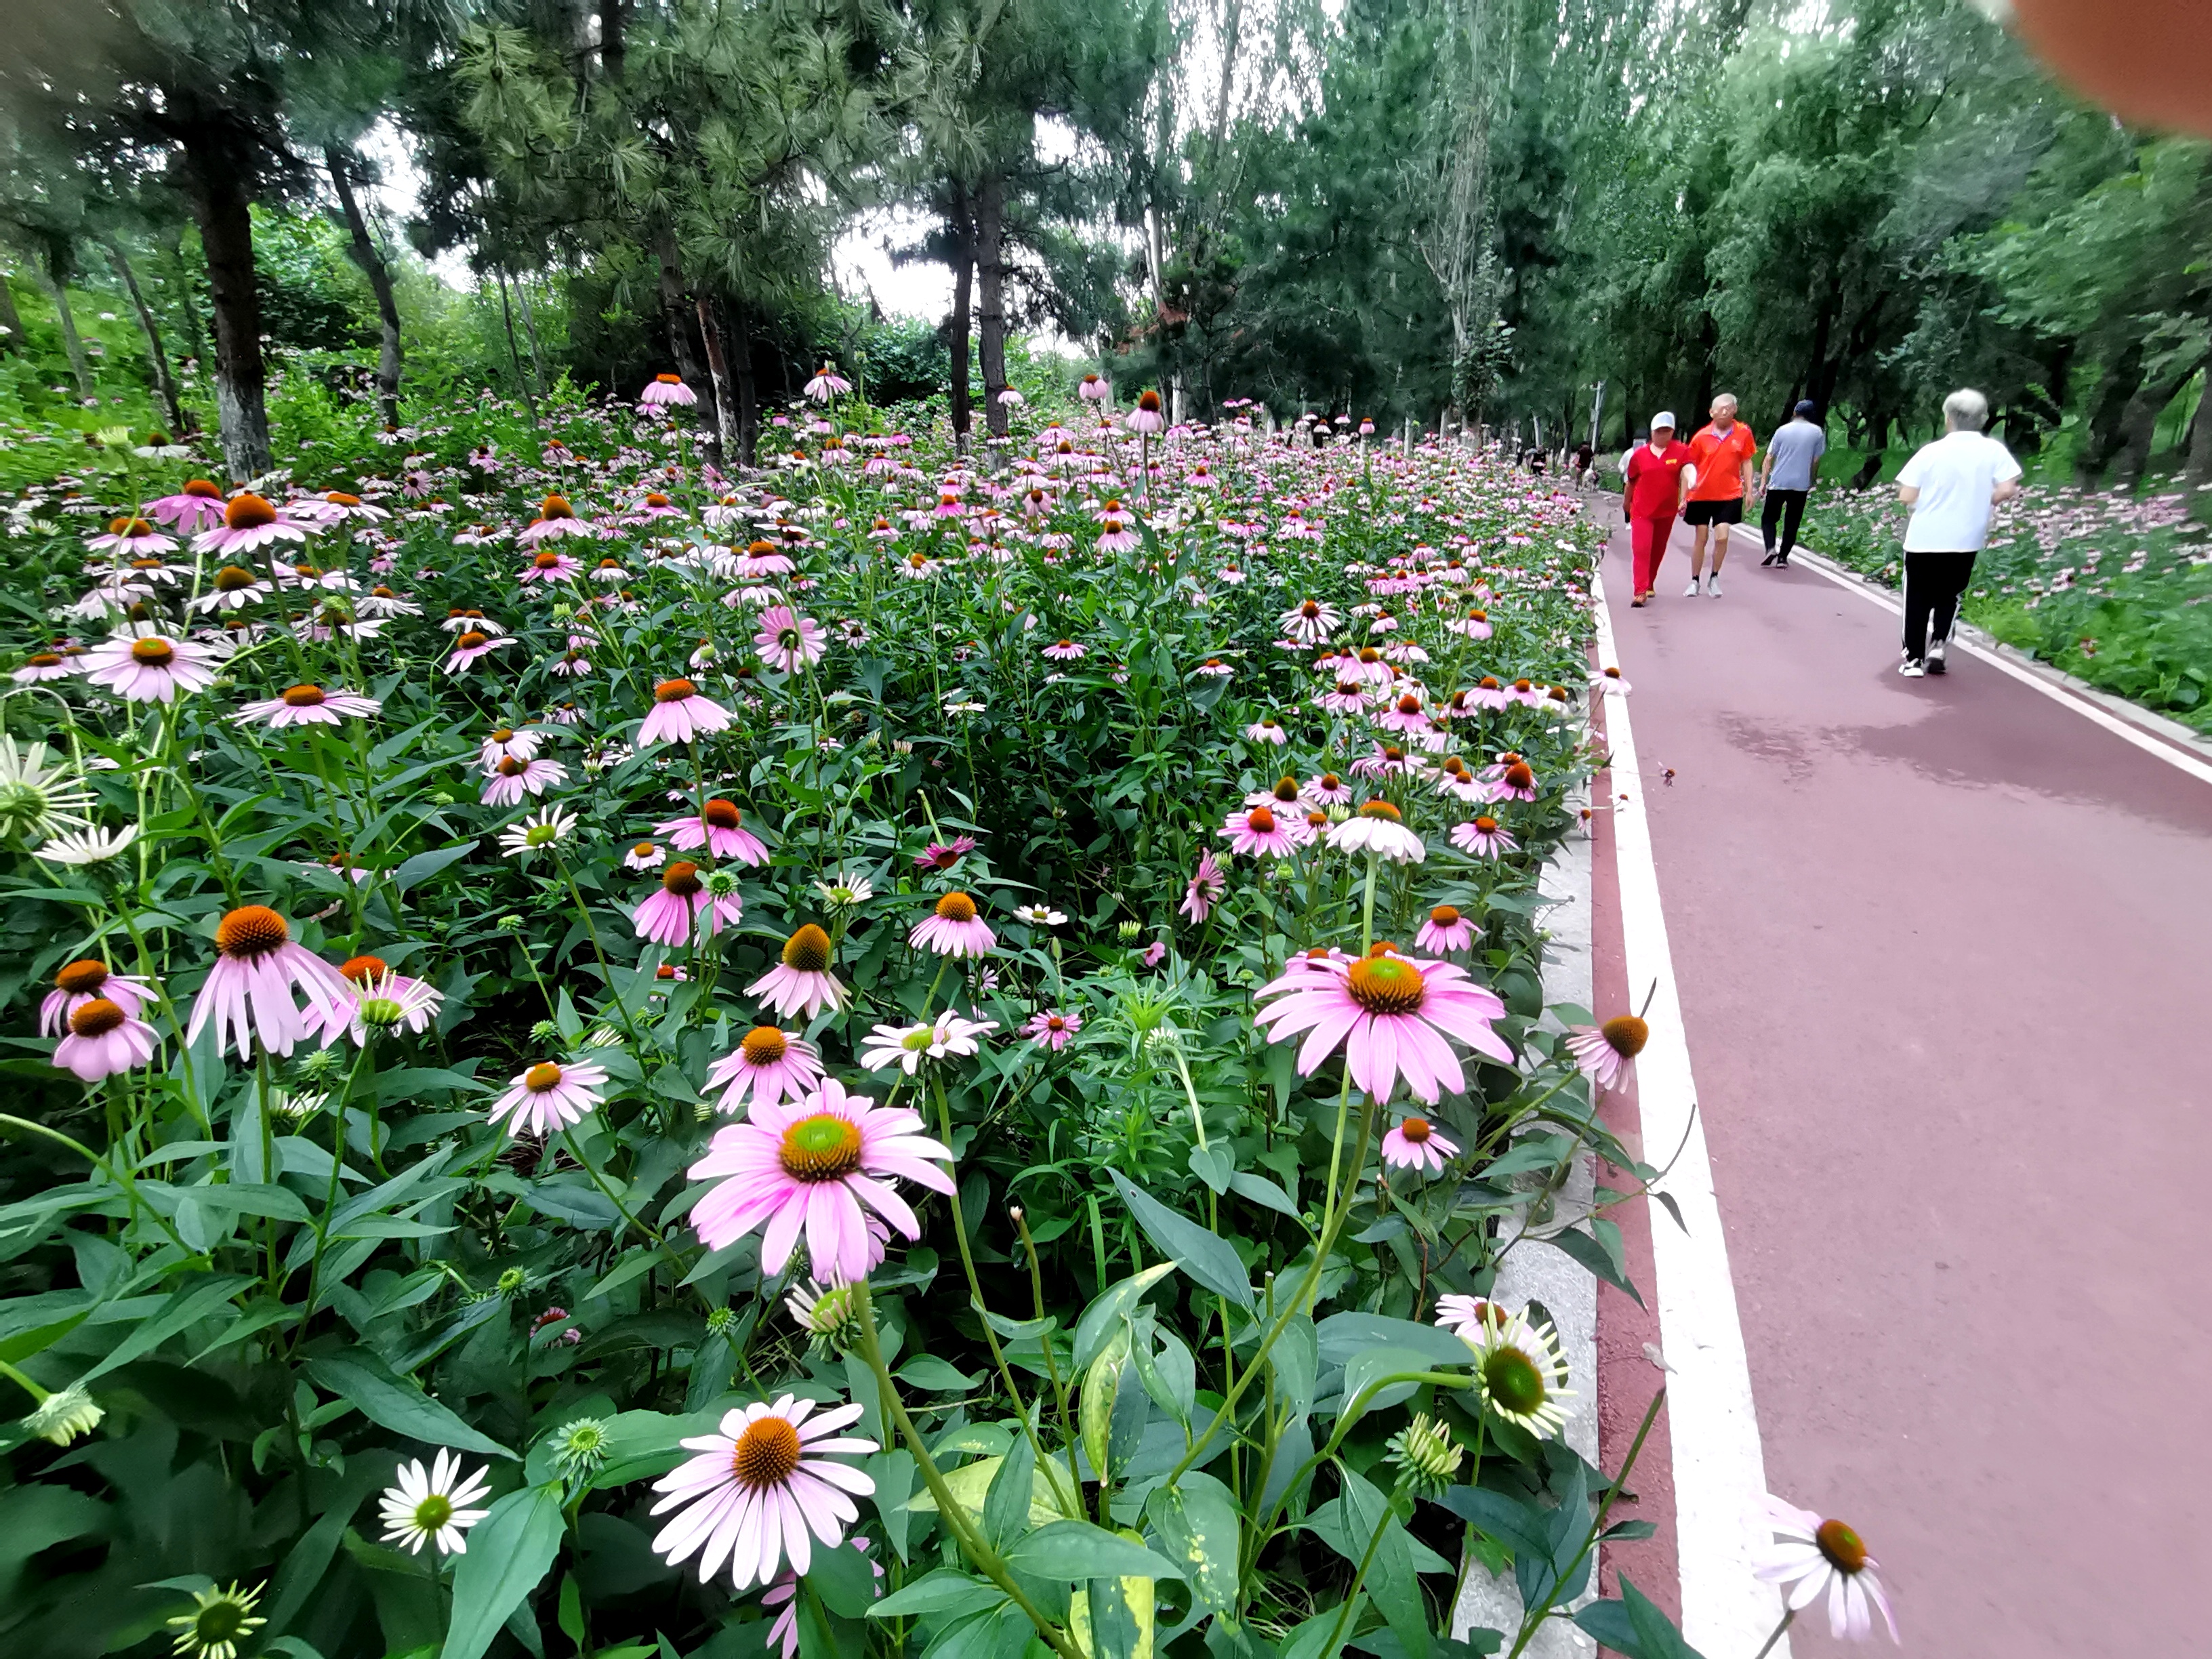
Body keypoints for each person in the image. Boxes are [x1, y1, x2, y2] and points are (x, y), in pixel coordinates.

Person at [1893, 387, 2020, 677]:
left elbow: (1907, 494)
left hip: (1925, 537)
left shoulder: (1932, 452)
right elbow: (2007, 488)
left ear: (1949, 418)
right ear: (1983, 419)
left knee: (1917, 598)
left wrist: (1914, 498)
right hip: (1967, 538)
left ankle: (1913, 659)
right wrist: (1979, 501)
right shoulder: (1994, 451)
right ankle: (1939, 644)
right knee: (1950, 593)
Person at [1680, 394, 1758, 597]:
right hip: (1701, 495)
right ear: (1712, 412)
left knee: (1722, 537)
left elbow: (1747, 461)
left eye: (1729, 407)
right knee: (1702, 537)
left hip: (1729, 494)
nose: (1725, 411)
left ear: (1735, 410)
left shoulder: (1743, 433)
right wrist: (1684, 497)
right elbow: (1688, 468)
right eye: (1720, 408)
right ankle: (1695, 580)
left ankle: (1714, 577)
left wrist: (1750, 490)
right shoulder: (1701, 437)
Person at [1622, 412, 1694, 607]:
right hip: (1642, 510)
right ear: (1652, 433)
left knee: (1658, 549)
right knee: (1642, 549)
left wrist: (1684, 498)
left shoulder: (1681, 451)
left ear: (1672, 432)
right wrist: (1626, 503)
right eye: (1659, 431)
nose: (1662, 435)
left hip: (1666, 510)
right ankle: (1639, 591)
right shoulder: (1640, 456)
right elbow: (1630, 482)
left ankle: (1650, 582)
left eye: (1666, 431)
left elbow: (1687, 474)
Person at [1759, 401, 1826, 567]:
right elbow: (1815, 460)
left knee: (1768, 518)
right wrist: (1811, 479)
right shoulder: (1818, 433)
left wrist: (1763, 482)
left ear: (1795, 413)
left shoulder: (1782, 430)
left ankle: (1770, 549)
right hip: (1800, 484)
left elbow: (1769, 458)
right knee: (1792, 521)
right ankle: (1783, 558)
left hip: (1779, 482)